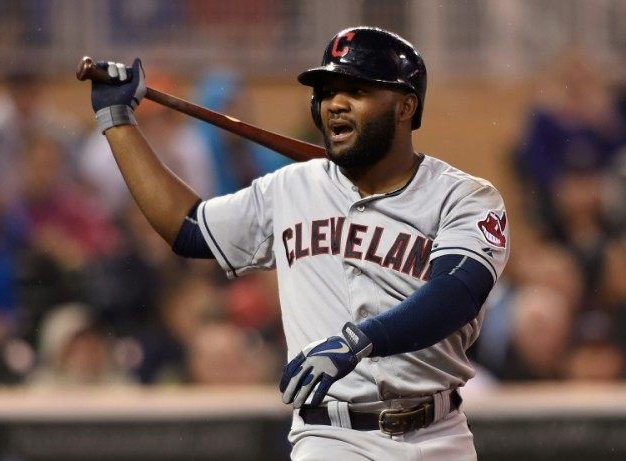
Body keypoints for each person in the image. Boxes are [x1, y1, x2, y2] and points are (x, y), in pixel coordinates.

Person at [87, 26, 509, 460]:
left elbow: (457, 292)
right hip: (330, 439)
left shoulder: (465, 197)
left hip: (437, 437)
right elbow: (188, 227)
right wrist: (117, 122)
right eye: (326, 91)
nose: (335, 103)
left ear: (405, 105)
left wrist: (360, 340)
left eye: (356, 89)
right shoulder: (291, 187)